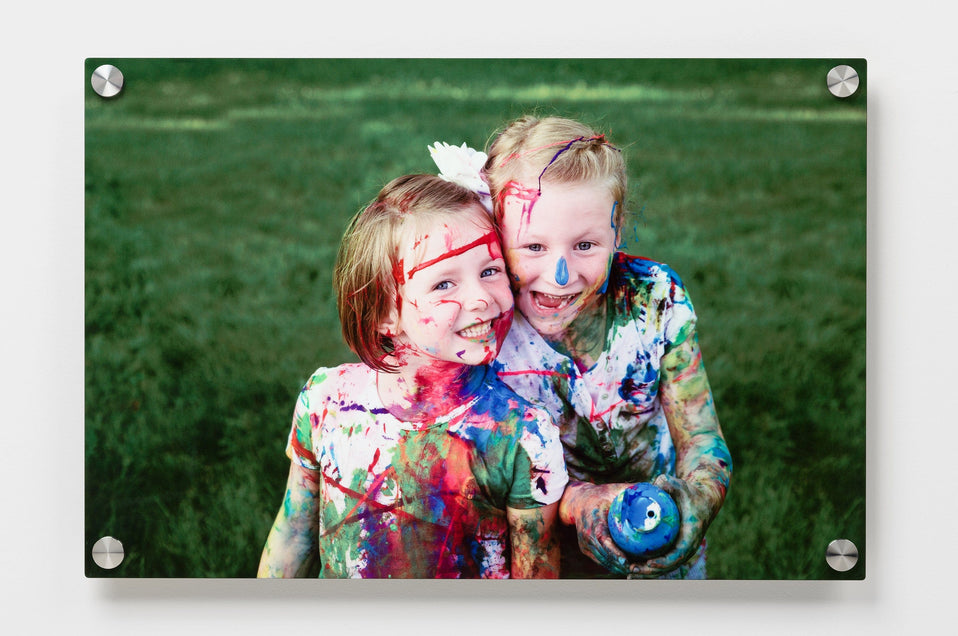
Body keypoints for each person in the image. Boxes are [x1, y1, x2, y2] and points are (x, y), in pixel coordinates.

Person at [257, 174, 568, 579]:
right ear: (386, 313)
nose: (480, 298)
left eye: (490, 271)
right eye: (444, 283)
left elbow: (536, 579)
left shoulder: (522, 435)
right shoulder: (326, 403)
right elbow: (293, 535)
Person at [477, 115, 732, 578]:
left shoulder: (655, 298)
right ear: (495, 238)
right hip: (542, 560)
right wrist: (578, 503)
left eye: (586, 245)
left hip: (660, 551)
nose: (560, 275)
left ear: (617, 232)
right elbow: (487, 475)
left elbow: (700, 436)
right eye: (532, 246)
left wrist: (698, 497)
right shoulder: (483, 334)